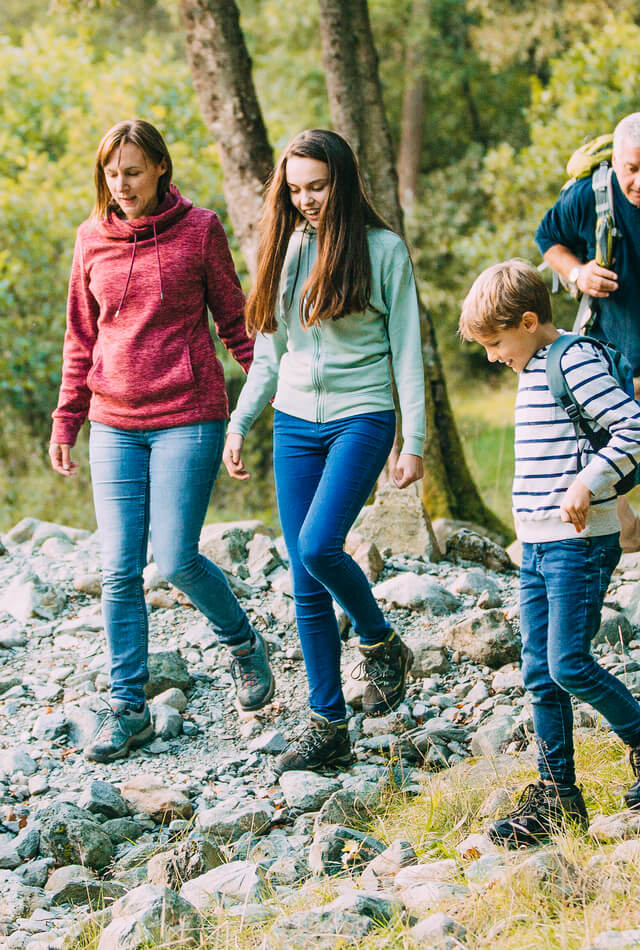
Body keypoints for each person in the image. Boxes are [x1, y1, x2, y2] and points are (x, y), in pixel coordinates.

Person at [50, 118, 273, 764]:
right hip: (113, 421)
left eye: (133, 172)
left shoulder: (199, 231)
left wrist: (258, 400)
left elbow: (235, 323)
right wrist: (68, 418)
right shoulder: (90, 239)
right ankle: (128, 708)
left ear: (160, 171)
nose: (120, 184)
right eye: (111, 174)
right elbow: (79, 338)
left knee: (173, 559)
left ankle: (242, 644)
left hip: (187, 414)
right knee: (118, 567)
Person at [224, 129, 423, 778]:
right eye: (296, 188)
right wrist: (239, 422)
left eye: (319, 186)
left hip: (361, 417)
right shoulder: (285, 248)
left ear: (343, 181)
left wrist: (412, 441)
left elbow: (408, 352)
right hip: (292, 423)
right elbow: (270, 352)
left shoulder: (383, 251)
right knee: (304, 580)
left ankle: (379, 637)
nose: (307, 200)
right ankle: (328, 724)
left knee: (317, 546)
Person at [459, 260, 640, 845]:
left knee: (569, 664)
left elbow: (631, 429)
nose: (491, 356)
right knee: (540, 673)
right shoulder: (532, 363)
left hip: (578, 543)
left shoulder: (572, 360)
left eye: (494, 343)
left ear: (530, 321)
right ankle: (559, 797)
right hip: (538, 544)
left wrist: (587, 484)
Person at [537, 112, 640, 551]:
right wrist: (578, 273)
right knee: (620, 464)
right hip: (617, 355)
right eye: (632, 169)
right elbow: (548, 238)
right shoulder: (591, 196)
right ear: (614, 161)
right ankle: (626, 540)